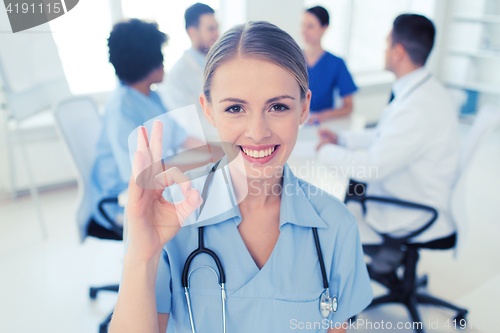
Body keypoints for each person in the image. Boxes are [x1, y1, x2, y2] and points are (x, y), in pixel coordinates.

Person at [109, 21, 372, 333]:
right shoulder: (169, 222)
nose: (258, 133)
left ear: (304, 108)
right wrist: (142, 256)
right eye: (235, 108)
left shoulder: (336, 227)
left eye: (278, 106)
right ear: (208, 111)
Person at [316, 14, 460, 245]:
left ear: (398, 52)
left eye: (386, 45)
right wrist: (342, 139)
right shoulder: (425, 91)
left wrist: (323, 151)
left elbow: (371, 169)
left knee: (329, 210)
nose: (384, 51)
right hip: (413, 188)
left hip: (410, 209)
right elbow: (387, 133)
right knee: (349, 190)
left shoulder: (417, 107)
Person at [90, 19, 204, 234]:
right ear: (147, 61)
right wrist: (193, 164)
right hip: (121, 199)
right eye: (160, 56)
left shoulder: (152, 96)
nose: (164, 63)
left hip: (157, 181)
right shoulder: (121, 109)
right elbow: (138, 173)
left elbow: (181, 137)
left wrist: (217, 152)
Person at [158, 3, 219, 140]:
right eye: (210, 29)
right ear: (192, 32)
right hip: (206, 147)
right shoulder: (177, 75)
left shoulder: (222, 64)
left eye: (216, 28)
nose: (216, 34)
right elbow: (193, 124)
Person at [302, 6, 357, 124]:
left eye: (310, 26)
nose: (304, 31)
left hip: (321, 125)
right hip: (294, 123)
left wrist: (322, 115)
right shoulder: (292, 59)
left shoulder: (336, 63)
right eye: (303, 25)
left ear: (324, 28)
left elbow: (348, 107)